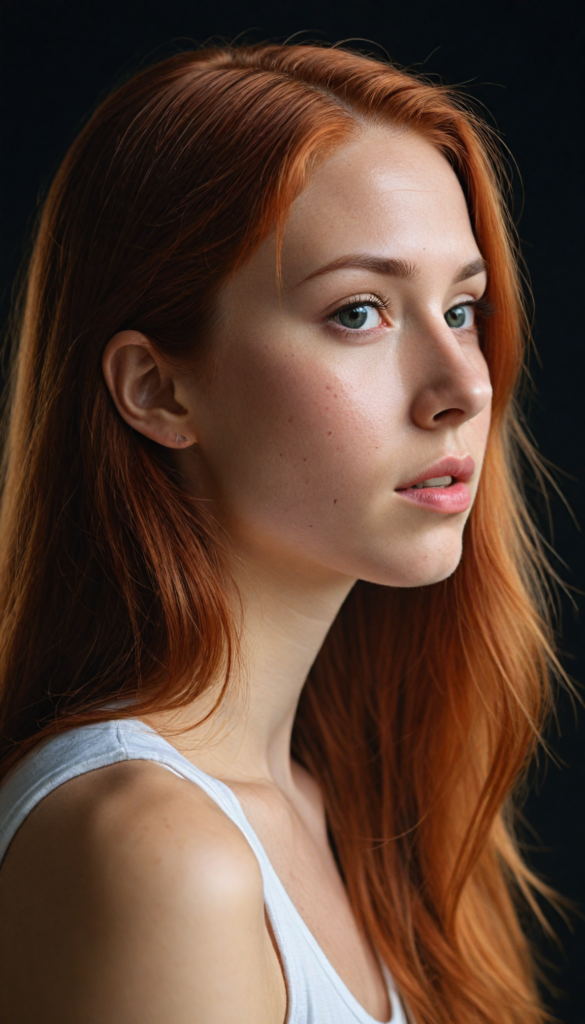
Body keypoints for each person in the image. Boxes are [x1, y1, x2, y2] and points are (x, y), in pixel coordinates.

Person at [0, 43, 561, 1024]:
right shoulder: (157, 854)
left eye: (462, 307)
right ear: (158, 389)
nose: (464, 386)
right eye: (359, 312)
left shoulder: (337, 809)